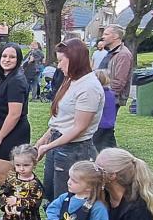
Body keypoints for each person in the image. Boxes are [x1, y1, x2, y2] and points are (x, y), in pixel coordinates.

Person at [36, 38, 104, 201]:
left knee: (67, 200)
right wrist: (44, 140)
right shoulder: (71, 80)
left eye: (61, 61)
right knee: (52, 197)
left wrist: (47, 147)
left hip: (74, 150)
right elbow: (61, 119)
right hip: (57, 143)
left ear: (74, 59)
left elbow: (79, 127)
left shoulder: (89, 87)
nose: (58, 66)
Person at [0, 43, 32, 198]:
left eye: (12, 57)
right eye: (4, 56)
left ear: (18, 60)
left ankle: (18, 207)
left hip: (13, 133)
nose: (7, 60)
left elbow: (14, 114)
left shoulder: (16, 81)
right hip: (3, 131)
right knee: (7, 176)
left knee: (3, 175)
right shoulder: (4, 78)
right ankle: (13, 207)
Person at [98, 24, 134, 113]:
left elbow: (119, 82)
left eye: (106, 34)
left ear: (116, 36)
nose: (103, 37)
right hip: (102, 96)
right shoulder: (111, 52)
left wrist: (107, 95)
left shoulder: (123, 55)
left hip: (110, 98)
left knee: (106, 122)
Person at [92, 69, 118, 150]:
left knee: (96, 147)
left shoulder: (97, 95)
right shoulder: (111, 94)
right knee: (111, 146)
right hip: (110, 125)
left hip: (99, 125)